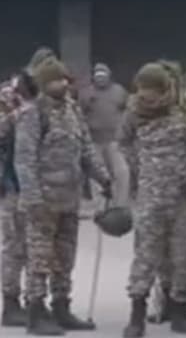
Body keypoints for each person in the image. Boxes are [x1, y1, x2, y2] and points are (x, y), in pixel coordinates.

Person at [15, 56, 112, 335]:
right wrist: (32, 198)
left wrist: (102, 177)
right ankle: (35, 311)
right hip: (43, 201)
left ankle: (61, 307)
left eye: (64, 79)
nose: (62, 83)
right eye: (56, 80)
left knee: (65, 257)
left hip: (69, 200)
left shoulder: (72, 111)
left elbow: (86, 149)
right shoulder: (33, 114)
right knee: (40, 258)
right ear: (45, 85)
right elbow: (24, 159)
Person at [119, 63, 186, 338]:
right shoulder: (133, 114)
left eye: (152, 90)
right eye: (142, 89)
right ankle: (137, 315)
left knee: (184, 256)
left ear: (164, 88)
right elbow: (123, 144)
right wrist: (140, 169)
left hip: (183, 197)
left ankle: (179, 311)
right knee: (146, 255)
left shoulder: (185, 109)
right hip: (150, 197)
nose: (147, 96)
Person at [1, 73, 32, 327]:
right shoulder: (9, 113)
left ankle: (33, 301)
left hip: (32, 189)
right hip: (12, 188)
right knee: (13, 248)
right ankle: (10, 304)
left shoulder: (33, 110)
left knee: (31, 248)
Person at [79, 64, 129, 205]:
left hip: (115, 140)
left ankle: (121, 204)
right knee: (97, 175)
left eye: (103, 76)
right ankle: (100, 206)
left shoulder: (119, 91)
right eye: (97, 76)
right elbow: (80, 114)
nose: (100, 79)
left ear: (109, 76)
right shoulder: (86, 93)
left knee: (121, 172)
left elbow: (128, 111)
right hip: (94, 141)